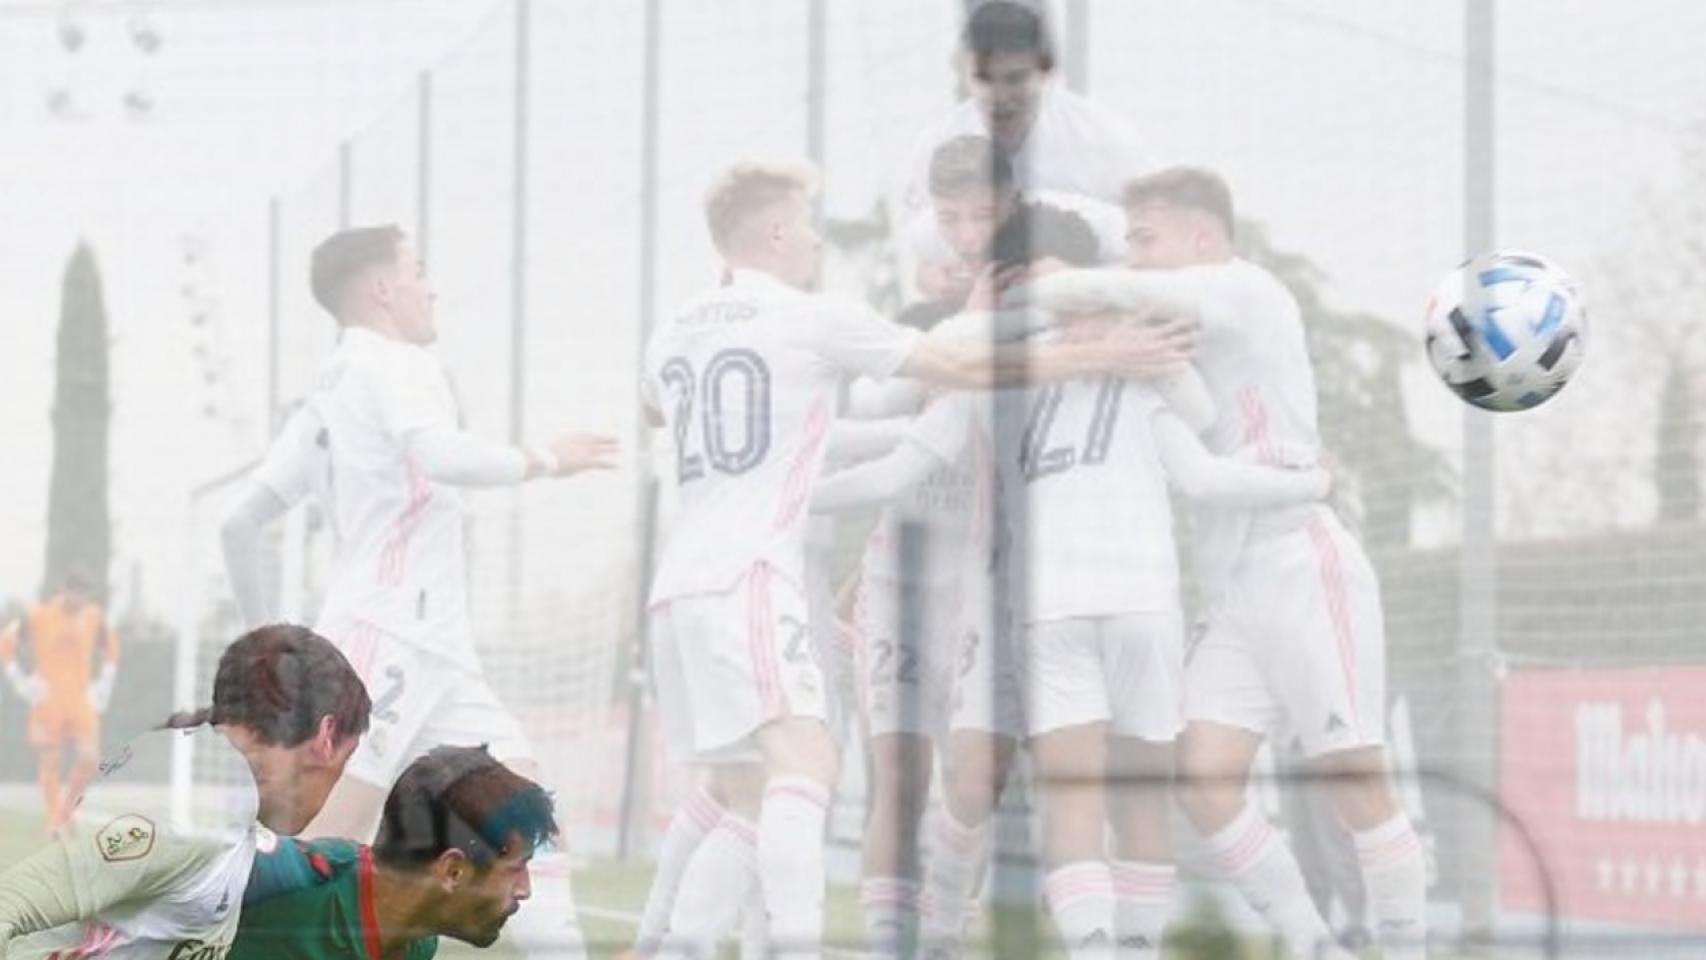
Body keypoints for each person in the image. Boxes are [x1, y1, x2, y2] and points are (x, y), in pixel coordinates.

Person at [639, 159, 1191, 959]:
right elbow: (961, 367)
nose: (819, 243)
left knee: (743, 792)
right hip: (747, 574)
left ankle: (673, 944)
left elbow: (657, 407)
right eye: (811, 226)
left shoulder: (675, 327)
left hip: (677, 585)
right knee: (807, 764)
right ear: (780, 230)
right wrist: (1097, 354)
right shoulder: (811, 315)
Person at [1025, 166, 1429, 960]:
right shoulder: (1160, 334)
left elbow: (1093, 299)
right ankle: (1313, 944)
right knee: (1202, 777)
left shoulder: (1247, 291)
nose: (1134, 258)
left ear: (1203, 238)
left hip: (1301, 561)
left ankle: (1404, 947)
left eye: (1146, 239)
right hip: (1232, 587)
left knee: (1353, 775)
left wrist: (1060, 280)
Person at [220, 225, 614, 959]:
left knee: (517, 810)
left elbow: (239, 524)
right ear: (381, 288)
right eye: (419, 271)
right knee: (322, 847)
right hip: (389, 638)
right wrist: (546, 459)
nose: (431, 287)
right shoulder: (392, 362)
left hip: (429, 648)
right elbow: (438, 452)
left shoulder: (330, 388)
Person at [0, 624, 370, 960]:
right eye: (347, 757)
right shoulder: (191, 809)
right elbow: (11, 903)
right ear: (325, 737)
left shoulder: (227, 801)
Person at [897, 1, 1149, 303]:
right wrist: (925, 276)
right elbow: (916, 245)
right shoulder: (935, 144)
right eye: (983, 79)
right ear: (964, 73)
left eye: (1015, 79)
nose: (999, 97)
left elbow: (1157, 245)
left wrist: (1079, 278)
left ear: (1047, 71)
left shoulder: (1108, 140)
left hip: (1087, 313)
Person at [231, 745, 556, 960]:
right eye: (517, 867)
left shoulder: (416, 940)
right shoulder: (289, 884)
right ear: (453, 871)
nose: (524, 890)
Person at [0, 568, 120, 832]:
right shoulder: (38, 616)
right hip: (47, 700)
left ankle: (65, 811)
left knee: (90, 758)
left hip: (80, 700)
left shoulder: (93, 617)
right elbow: (5, 642)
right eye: (75, 592)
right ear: (64, 591)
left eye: (85, 593)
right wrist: (21, 681)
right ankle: (54, 819)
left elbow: (111, 648)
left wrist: (104, 684)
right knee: (50, 760)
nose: (79, 599)